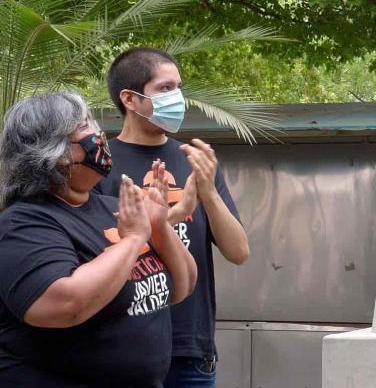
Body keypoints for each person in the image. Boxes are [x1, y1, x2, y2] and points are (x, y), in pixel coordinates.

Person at [0, 93, 197, 387]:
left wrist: (158, 226)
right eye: (84, 125)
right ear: (55, 152)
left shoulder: (111, 207)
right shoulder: (23, 223)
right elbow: (64, 305)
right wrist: (131, 241)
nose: (98, 133)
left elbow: (182, 288)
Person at [95, 48, 249, 387]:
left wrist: (207, 191)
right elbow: (93, 251)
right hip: (121, 346)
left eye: (179, 87)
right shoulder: (99, 165)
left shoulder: (194, 161)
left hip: (191, 351)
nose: (177, 97)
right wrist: (169, 217)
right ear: (130, 99)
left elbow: (238, 252)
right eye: (165, 88)